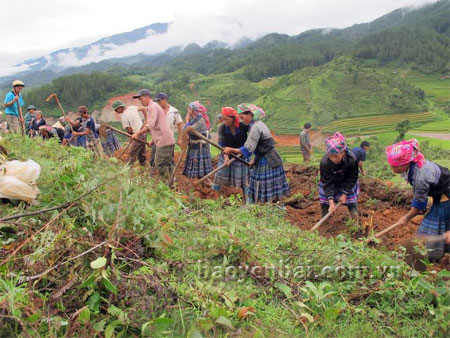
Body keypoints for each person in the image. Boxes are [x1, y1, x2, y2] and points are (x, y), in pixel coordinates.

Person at [386, 139, 450, 260]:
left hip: (445, 198)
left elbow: (420, 206)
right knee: (444, 228)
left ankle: (427, 257)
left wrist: (406, 218)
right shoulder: (415, 163)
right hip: (441, 195)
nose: (392, 169)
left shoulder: (420, 175)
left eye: (395, 166)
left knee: (426, 231)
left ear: (405, 162)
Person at [223, 103, 289, 203]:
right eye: (240, 118)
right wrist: (254, 160)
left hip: (267, 161)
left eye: (242, 117)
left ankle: (266, 210)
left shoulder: (255, 128)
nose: (241, 120)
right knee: (269, 188)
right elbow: (258, 147)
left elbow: (248, 148)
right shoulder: (257, 124)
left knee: (264, 187)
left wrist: (230, 150)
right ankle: (270, 209)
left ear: (250, 114)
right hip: (266, 158)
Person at [131, 89, 175, 181]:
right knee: (168, 164)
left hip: (164, 141)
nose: (140, 101)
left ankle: (166, 185)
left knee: (161, 164)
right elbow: (158, 126)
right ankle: (171, 183)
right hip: (166, 139)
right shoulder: (153, 107)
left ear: (147, 97)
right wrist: (153, 140)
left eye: (141, 98)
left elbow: (150, 125)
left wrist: (137, 134)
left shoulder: (152, 107)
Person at [319, 132, 359, 223]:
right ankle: (324, 220)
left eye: (336, 156)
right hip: (331, 181)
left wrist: (344, 194)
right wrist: (331, 202)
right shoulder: (324, 163)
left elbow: (352, 178)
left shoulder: (352, 160)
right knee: (325, 201)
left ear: (343, 152)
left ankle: (355, 221)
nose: (333, 159)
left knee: (351, 202)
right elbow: (327, 183)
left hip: (346, 180)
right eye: (331, 156)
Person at [213, 107, 250, 197]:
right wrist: (226, 157)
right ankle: (215, 196)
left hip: (240, 155)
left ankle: (245, 199)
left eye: (227, 119)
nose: (224, 122)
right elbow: (221, 144)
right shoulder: (222, 128)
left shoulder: (243, 126)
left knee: (241, 179)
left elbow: (252, 137)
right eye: (223, 119)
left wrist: (243, 150)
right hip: (226, 154)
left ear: (233, 118)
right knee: (220, 176)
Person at [151, 92, 183, 168]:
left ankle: (170, 176)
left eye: (159, 101)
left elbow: (180, 124)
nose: (158, 103)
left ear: (164, 99)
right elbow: (153, 126)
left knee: (169, 159)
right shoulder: (156, 111)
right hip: (158, 139)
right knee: (153, 157)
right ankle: (152, 175)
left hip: (169, 139)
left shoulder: (174, 111)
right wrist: (152, 139)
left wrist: (180, 138)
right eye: (157, 101)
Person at [182, 101, 212, 178]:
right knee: (194, 164)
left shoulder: (200, 120)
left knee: (199, 168)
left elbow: (188, 129)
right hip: (194, 145)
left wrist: (187, 120)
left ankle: (201, 183)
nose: (187, 110)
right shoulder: (193, 119)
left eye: (189, 109)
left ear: (192, 110)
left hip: (200, 146)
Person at [113, 100, 147, 165]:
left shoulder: (123, 116)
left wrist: (131, 137)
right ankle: (143, 165)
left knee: (131, 154)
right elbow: (144, 108)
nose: (115, 111)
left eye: (116, 109)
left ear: (120, 107)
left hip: (137, 135)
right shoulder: (131, 108)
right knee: (141, 153)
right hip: (143, 132)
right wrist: (146, 120)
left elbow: (129, 130)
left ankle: (127, 169)